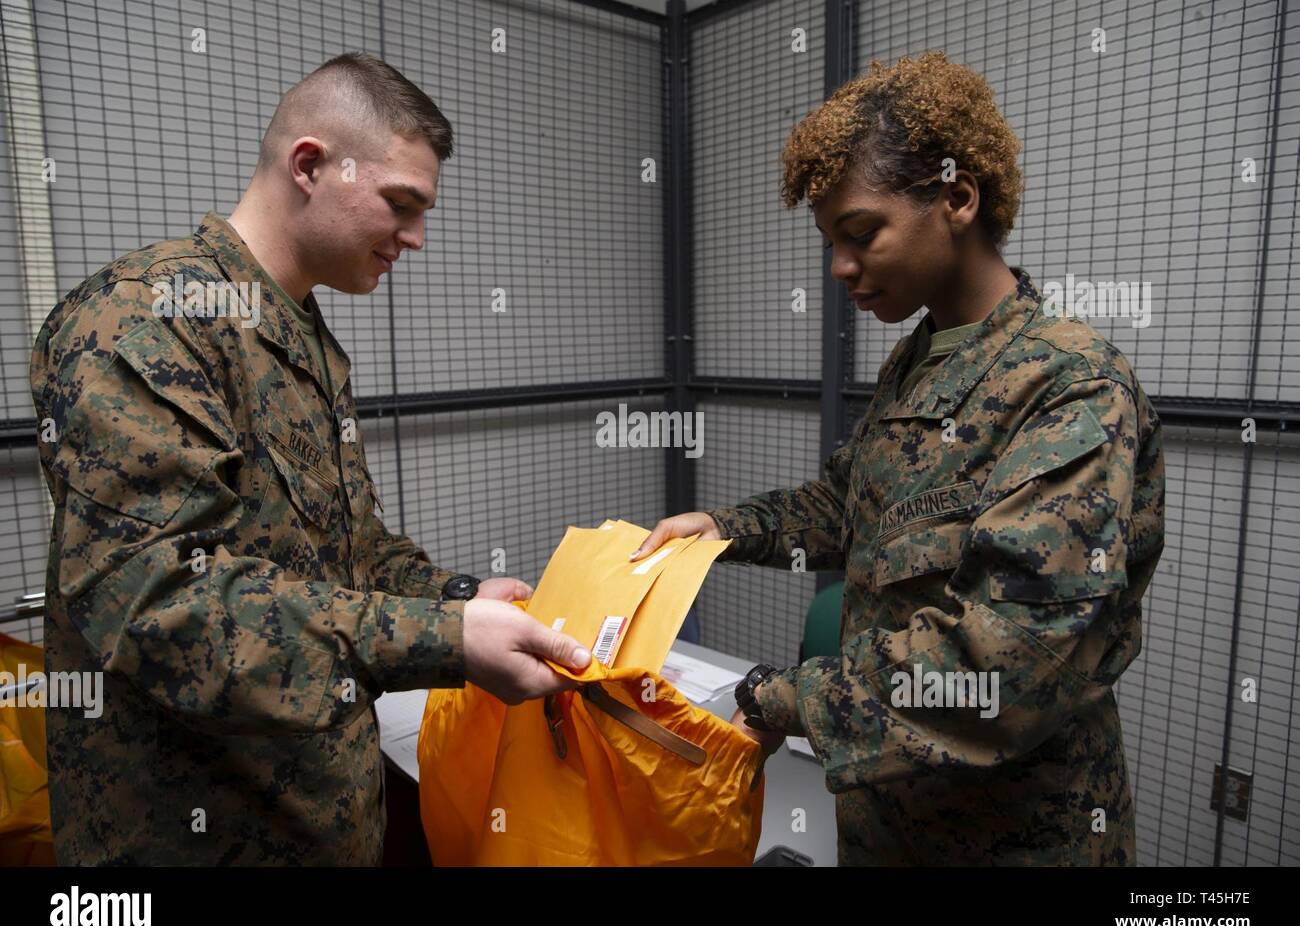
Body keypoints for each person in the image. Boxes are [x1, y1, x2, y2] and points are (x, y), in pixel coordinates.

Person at [29, 52, 589, 865]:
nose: (417, 239)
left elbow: (345, 554)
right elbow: (163, 606)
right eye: (401, 205)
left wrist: (461, 598)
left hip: (318, 822)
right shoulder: (142, 320)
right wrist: (448, 637)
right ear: (310, 166)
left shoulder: (299, 337)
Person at [633, 51, 1165, 865]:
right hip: (888, 823)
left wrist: (773, 699)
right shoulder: (919, 358)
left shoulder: (1070, 385)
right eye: (830, 242)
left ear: (957, 198)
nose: (840, 267)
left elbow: (1004, 662)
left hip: (1012, 838)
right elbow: (851, 507)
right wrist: (718, 529)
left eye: (861, 233)